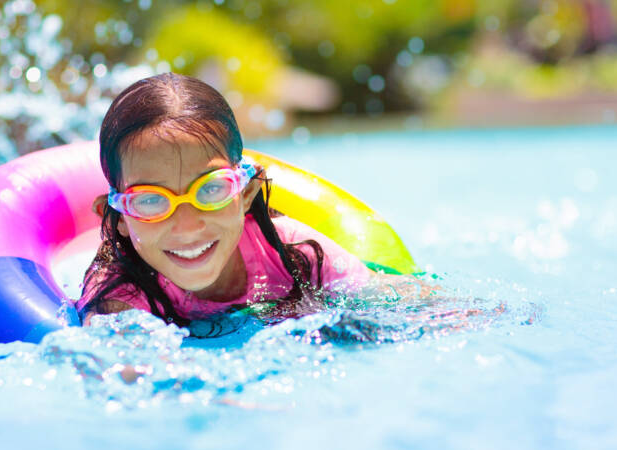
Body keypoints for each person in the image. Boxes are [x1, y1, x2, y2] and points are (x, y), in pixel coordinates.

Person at [77, 72, 422, 328]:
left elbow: (404, 303)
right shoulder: (121, 298)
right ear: (119, 216)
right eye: (150, 201)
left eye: (211, 189)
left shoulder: (294, 256)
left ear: (245, 192)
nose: (187, 225)